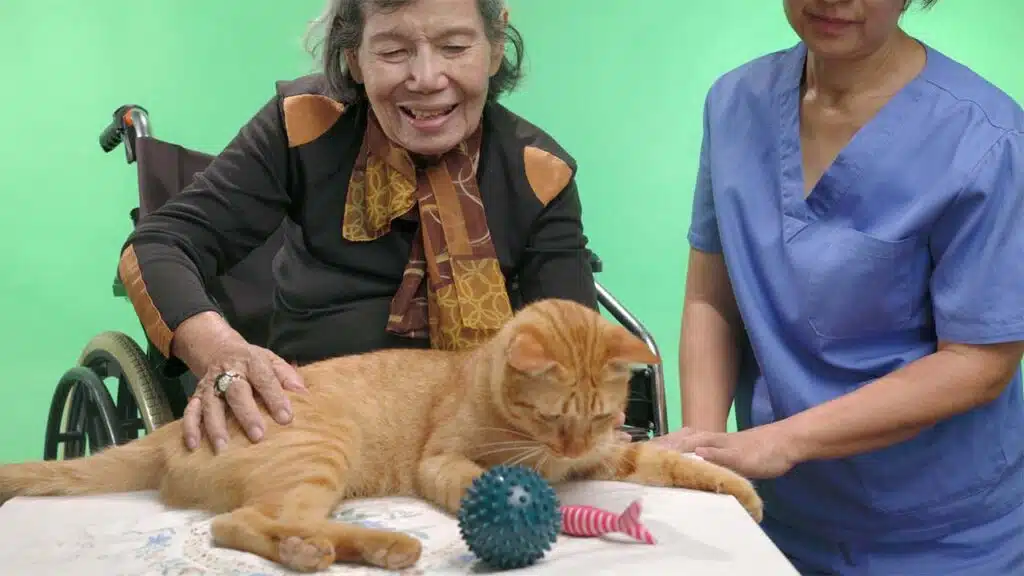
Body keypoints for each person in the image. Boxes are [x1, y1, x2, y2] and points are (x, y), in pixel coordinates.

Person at [117, 0, 615, 454]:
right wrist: (222, 352)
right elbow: (161, 243)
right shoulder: (304, 125)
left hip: (476, 442)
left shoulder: (540, 173)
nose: (426, 78)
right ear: (354, 57)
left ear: (495, 46)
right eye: (393, 51)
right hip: (311, 427)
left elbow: (575, 355)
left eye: (455, 47)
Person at [657, 0, 1024, 574]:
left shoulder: (986, 139)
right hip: (771, 517)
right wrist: (704, 459)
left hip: (938, 538)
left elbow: (979, 362)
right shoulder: (735, 103)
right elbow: (712, 298)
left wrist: (780, 442)